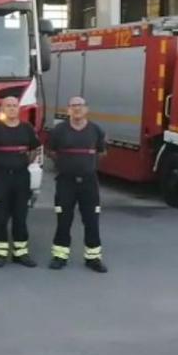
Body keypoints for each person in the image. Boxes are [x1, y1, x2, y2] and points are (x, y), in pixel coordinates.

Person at [47, 96, 108, 273]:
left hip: (89, 183)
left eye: (80, 105)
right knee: (63, 219)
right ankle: (60, 256)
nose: (77, 109)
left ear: (86, 109)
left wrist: (87, 165)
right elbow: (51, 151)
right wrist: (67, 164)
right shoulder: (59, 130)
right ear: (68, 110)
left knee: (91, 220)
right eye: (73, 106)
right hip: (66, 182)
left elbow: (102, 152)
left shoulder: (96, 130)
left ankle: (93, 258)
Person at [0, 96, 41, 268]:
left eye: (15, 106)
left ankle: (20, 254)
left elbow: (33, 150)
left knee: (20, 217)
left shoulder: (27, 128)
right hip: (1, 178)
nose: (12, 108)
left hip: (21, 178)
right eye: (8, 106)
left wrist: (22, 165)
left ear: (18, 108)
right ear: (2, 109)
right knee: (0, 216)